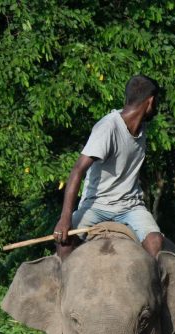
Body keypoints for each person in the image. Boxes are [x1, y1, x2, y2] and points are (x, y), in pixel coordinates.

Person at [53, 75, 163, 259]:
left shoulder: (142, 129)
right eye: (157, 102)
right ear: (150, 101)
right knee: (64, 245)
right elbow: (77, 170)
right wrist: (65, 219)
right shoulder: (108, 127)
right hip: (96, 205)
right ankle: (64, 286)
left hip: (130, 206)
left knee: (155, 242)